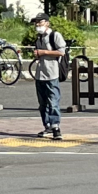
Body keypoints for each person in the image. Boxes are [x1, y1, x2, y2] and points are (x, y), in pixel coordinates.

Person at [31, 13, 66, 141]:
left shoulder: (54, 35)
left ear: (47, 23)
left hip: (52, 73)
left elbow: (61, 52)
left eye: (40, 22)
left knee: (53, 101)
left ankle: (56, 127)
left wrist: (43, 52)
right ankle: (47, 126)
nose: (37, 25)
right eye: (36, 22)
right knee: (42, 103)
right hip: (40, 73)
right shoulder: (39, 37)